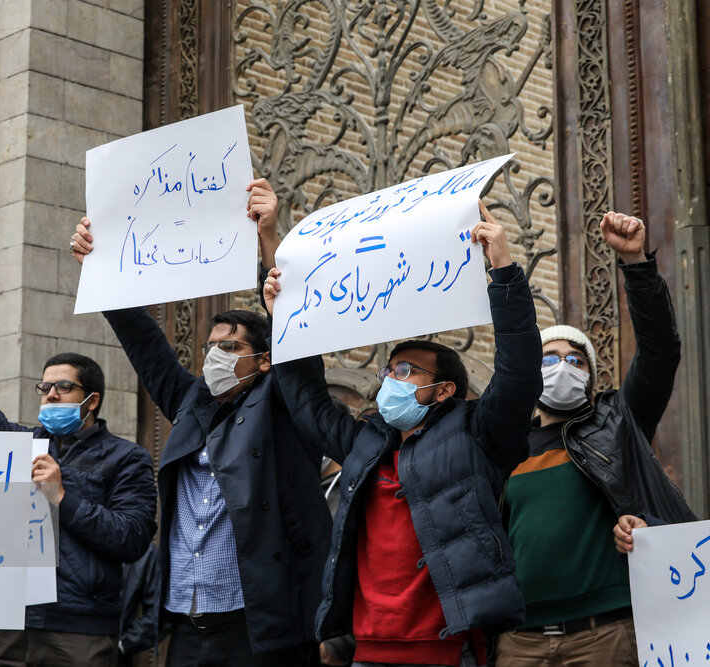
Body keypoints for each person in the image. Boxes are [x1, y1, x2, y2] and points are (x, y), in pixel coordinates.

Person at [262, 201, 542, 667]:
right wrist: (284, 319)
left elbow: (518, 376)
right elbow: (306, 400)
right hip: (369, 651)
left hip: (446, 648)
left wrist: (504, 272)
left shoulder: (477, 435)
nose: (390, 379)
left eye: (407, 371)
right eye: (389, 369)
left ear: (444, 389)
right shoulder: (365, 444)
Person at [70, 177, 332, 666]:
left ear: (265, 360)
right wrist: (100, 269)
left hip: (257, 628)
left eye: (229, 347)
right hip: (186, 626)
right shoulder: (192, 401)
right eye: (210, 347)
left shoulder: (287, 404)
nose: (214, 356)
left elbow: (299, 332)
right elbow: (145, 344)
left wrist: (269, 238)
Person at [0, 303, 158, 667]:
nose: (50, 394)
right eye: (45, 386)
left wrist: (62, 498)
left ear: (91, 400)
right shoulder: (21, 445)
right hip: (14, 625)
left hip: (80, 632)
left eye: (63, 387)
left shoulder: (127, 458)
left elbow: (132, 538)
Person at [495, 211, 697, 667]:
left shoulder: (618, 422)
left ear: (590, 378)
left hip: (603, 637)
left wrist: (636, 264)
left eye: (575, 360)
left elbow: (661, 351)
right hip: (518, 642)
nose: (561, 367)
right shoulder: (503, 447)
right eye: (548, 358)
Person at [117, 542, 161, 667]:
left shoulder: (142, 548)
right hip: (65, 645)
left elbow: (159, 610)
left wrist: (125, 644)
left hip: (116, 655)